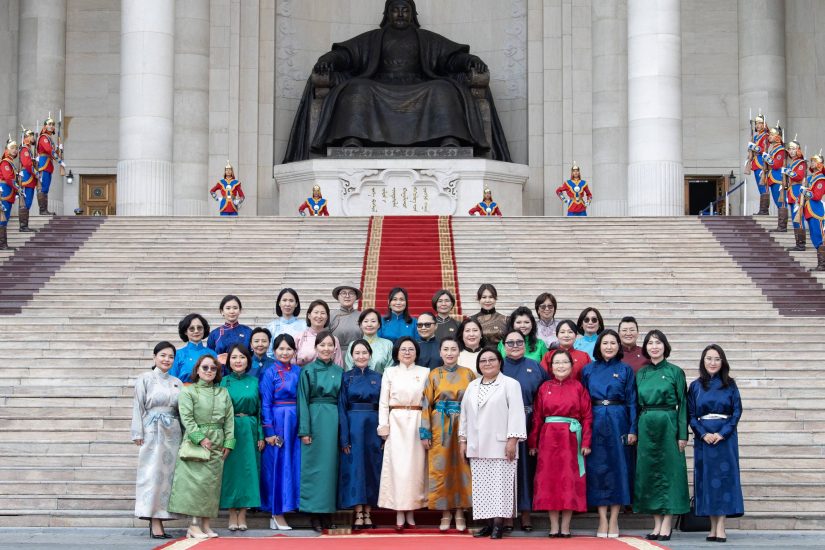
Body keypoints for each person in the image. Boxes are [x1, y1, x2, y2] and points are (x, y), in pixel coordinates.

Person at [284, 0, 511, 162]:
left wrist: (471, 61)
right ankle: (352, 139)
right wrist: (327, 60)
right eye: (396, 10)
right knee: (357, 88)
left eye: (405, 10)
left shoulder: (425, 38)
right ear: (387, 14)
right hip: (379, 85)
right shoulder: (373, 38)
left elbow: (451, 58)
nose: (401, 14)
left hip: (419, 85)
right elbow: (346, 55)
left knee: (442, 89)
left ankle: (448, 139)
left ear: (412, 14)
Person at [459, 348, 526, 540]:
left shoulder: (510, 384)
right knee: (482, 487)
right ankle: (488, 524)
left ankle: (499, 525)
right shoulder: (472, 386)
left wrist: (512, 440)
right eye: (483, 361)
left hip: (501, 445)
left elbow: (516, 413)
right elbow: (464, 415)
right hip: (477, 445)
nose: (487, 363)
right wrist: (463, 440)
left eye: (491, 360)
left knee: (500, 486)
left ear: (499, 362)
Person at [167, 355, 236, 540]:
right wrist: (200, 438)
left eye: (213, 368)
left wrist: (229, 443)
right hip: (197, 443)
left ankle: (206, 524)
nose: (209, 371)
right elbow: (186, 418)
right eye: (204, 367)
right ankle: (194, 525)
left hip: (218, 442)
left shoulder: (223, 392)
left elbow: (229, 420)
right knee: (196, 486)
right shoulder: (188, 391)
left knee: (211, 486)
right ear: (197, 370)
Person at [529, 350, 592, 538]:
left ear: (572, 366)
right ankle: (553, 525)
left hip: (571, 438)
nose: (561, 366)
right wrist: (533, 442)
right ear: (550, 366)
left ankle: (566, 526)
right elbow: (537, 418)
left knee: (569, 480)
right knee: (549, 481)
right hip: (548, 439)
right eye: (556, 363)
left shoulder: (579, 387)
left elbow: (587, 416)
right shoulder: (544, 388)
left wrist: (586, 442)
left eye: (565, 362)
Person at [581, 330, 638, 538]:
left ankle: (614, 519)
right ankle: (602, 519)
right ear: (599, 346)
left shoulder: (625, 370)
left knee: (618, 467)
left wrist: (633, 428)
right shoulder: (588, 370)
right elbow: (583, 402)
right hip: (595, 419)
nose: (609, 346)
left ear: (618, 346)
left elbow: (632, 400)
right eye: (605, 343)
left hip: (618, 419)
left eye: (613, 343)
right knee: (598, 469)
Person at [634, 329, 689, 541]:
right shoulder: (642, 373)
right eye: (650, 343)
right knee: (649, 473)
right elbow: (635, 403)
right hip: (647, 424)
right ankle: (656, 523)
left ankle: (668, 522)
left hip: (669, 423)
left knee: (670, 472)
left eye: (658, 343)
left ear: (665, 346)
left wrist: (682, 433)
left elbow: (683, 404)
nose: (654, 347)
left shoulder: (676, 372)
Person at [688, 345, 744, 543]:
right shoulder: (695, 386)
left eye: (717, 359)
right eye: (709, 358)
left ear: (723, 362)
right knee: (707, 480)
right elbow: (691, 415)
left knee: (724, 479)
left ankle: (721, 527)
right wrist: (703, 434)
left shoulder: (730, 384)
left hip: (725, 439)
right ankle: (711, 526)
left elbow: (737, 412)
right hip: (704, 439)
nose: (712, 362)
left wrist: (722, 433)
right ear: (703, 361)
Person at [420, 337, 476, 531]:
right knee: (441, 468)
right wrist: (424, 431)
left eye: (453, 349)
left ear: (459, 352)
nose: (450, 353)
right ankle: (445, 512)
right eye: (446, 349)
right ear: (440, 352)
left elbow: (474, 403)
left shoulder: (468, 374)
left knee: (462, 467)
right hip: (439, 424)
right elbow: (426, 403)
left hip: (462, 422)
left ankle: (460, 511)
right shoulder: (434, 374)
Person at [131, 341, 183, 539]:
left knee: (168, 476)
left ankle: (164, 515)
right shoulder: (145, 378)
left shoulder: (176, 381)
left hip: (173, 431)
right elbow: (138, 405)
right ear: (154, 357)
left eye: (170, 356)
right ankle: (154, 520)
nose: (166, 359)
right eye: (162, 355)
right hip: (153, 428)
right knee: (152, 474)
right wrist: (138, 433)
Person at [500, 330, 549, 532]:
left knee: (528, 468)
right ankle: (509, 515)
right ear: (503, 345)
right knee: (507, 467)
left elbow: (545, 393)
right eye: (510, 343)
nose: (515, 346)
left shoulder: (535, 366)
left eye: (519, 342)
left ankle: (527, 513)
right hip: (504, 422)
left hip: (531, 421)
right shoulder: (498, 365)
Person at [378, 337, 429, 530]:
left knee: (415, 468)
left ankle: (412, 511)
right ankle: (399, 512)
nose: (407, 352)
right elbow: (383, 401)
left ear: (416, 352)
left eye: (411, 349)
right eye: (403, 349)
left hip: (417, 421)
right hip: (396, 421)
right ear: (397, 352)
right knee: (397, 468)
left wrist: (426, 428)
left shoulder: (425, 372)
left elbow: (427, 402)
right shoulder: (389, 372)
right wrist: (384, 426)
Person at [297, 330, 343, 531]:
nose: (326, 348)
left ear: (335, 349)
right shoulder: (307, 371)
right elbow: (302, 401)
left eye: (329, 345)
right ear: (316, 347)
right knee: (314, 468)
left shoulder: (340, 371)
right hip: (315, 419)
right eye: (322, 345)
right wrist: (305, 430)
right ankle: (314, 514)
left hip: (334, 420)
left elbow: (343, 401)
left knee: (331, 468)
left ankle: (328, 512)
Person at [338, 339, 384, 529]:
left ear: (370, 355)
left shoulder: (379, 377)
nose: (361, 356)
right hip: (353, 425)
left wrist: (383, 432)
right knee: (355, 468)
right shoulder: (346, 377)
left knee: (371, 467)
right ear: (351, 355)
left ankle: (369, 511)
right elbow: (341, 407)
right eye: (357, 353)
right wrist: (345, 436)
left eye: (364, 352)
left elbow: (384, 405)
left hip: (373, 425)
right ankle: (358, 512)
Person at [218, 344, 262, 530]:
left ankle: (243, 513)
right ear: (229, 361)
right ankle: (231, 513)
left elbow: (260, 410)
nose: (238, 361)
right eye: (234, 357)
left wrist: (260, 433)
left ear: (248, 361)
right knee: (230, 472)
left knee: (248, 472)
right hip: (229, 429)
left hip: (249, 427)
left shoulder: (254, 381)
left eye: (242, 357)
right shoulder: (223, 381)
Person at [260, 334, 301, 531]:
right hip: (277, 421)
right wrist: (268, 430)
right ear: (274, 351)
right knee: (278, 466)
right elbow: (265, 403)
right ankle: (276, 512)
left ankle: (288, 507)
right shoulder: (270, 372)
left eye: (288, 349)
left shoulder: (299, 371)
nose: (285, 352)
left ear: (294, 351)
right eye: (281, 349)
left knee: (291, 465)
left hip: (295, 422)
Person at [206, 295, 252, 369]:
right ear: (222, 311)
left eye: (235, 308)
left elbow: (252, 354)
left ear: (240, 311)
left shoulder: (248, 332)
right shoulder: (215, 334)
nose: (232, 311)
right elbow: (208, 356)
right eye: (228, 308)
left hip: (243, 373)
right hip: (220, 374)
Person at [295, 299, 344, 367]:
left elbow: (338, 366)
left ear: (327, 317)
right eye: (316, 312)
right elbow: (292, 364)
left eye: (323, 313)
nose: (319, 316)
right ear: (309, 315)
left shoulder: (334, 340)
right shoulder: (299, 338)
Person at [345, 308, 394, 372]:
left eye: (373, 321)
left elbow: (390, 370)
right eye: (366, 321)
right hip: (357, 381)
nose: (369, 324)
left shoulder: (387, 344)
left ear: (379, 325)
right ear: (360, 325)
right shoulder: (353, 345)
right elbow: (349, 369)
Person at [172, 314, 217, 383]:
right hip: (184, 392)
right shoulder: (178, 355)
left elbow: (217, 379)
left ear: (204, 330)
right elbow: (172, 380)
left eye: (199, 328)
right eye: (191, 329)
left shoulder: (212, 354)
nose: (196, 331)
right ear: (185, 332)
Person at [36, 115, 65, 215]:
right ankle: (42, 210)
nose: (52, 126)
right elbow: (48, 150)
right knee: (43, 187)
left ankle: (45, 209)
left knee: (46, 188)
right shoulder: (44, 137)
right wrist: (59, 160)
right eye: (49, 124)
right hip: (44, 164)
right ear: (45, 126)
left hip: (48, 165)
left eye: (53, 124)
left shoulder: (49, 138)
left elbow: (52, 150)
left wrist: (59, 149)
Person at [784, 139, 809, 250]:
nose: (791, 151)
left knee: (798, 219)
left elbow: (798, 176)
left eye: (793, 149)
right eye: (790, 149)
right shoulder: (792, 163)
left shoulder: (801, 163)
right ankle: (798, 242)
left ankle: (801, 243)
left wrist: (787, 172)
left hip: (797, 191)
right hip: (791, 191)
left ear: (798, 150)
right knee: (795, 219)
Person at [802, 152, 825, 271]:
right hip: (809, 210)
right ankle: (821, 263)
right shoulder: (811, 177)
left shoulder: (821, 178)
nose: (812, 163)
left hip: (816, 210)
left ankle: (822, 264)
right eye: (812, 161)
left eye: (815, 161)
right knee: (814, 236)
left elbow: (817, 196)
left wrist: (805, 191)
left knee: (819, 236)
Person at [266, 288, 305, 356]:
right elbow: (269, 353)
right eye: (284, 300)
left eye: (291, 300)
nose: (287, 304)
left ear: (296, 304)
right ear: (279, 303)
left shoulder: (304, 325)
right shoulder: (271, 327)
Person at [745, 113, 770, 215]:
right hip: (756, 162)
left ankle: (764, 209)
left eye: (759, 123)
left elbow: (764, 149)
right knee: (760, 187)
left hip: (761, 163)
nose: (757, 125)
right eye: (756, 123)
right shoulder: (756, 136)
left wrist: (753, 147)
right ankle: (762, 209)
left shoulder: (766, 136)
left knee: (763, 186)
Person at [329, 283, 362, 351]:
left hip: (359, 355)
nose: (347, 296)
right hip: (336, 355)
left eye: (351, 293)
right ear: (338, 296)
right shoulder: (330, 316)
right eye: (343, 293)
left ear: (356, 297)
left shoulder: (362, 316)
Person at [762, 122, 786, 212]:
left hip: (777, 177)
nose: (769, 136)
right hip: (772, 177)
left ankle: (783, 223)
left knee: (780, 202)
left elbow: (776, 165)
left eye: (772, 135)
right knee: (777, 201)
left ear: (777, 137)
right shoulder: (773, 149)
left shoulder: (780, 149)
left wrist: (766, 158)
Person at [0, 137, 19, 250]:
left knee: (5, 218)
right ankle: (2, 244)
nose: (15, 150)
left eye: (16, 148)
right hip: (5, 191)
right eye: (12, 148)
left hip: (9, 191)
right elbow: (8, 178)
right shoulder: (5, 162)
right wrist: (18, 188)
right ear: (6, 150)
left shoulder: (11, 162)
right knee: (2, 218)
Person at [17, 128, 36, 233]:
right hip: (27, 178)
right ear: (26, 137)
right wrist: (36, 173)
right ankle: (23, 226)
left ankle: (25, 225)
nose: (33, 138)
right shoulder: (25, 149)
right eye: (31, 136)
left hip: (30, 179)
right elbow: (28, 164)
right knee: (25, 203)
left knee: (28, 202)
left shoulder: (28, 149)